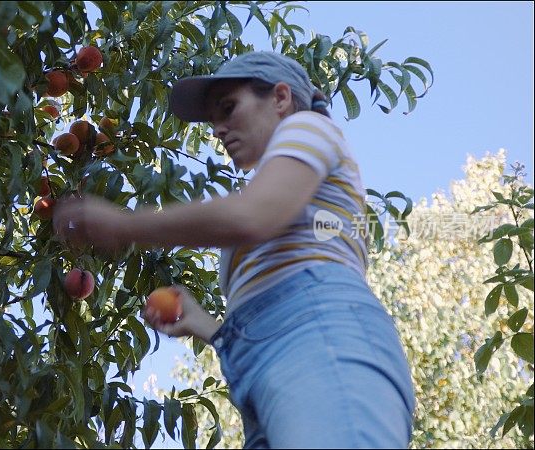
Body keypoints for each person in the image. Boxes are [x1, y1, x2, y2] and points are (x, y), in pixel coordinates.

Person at [53, 51, 415, 448]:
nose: (219, 129)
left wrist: (123, 225)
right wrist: (207, 327)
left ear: (280, 98)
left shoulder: (308, 127)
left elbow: (251, 217)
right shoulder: (296, 190)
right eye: (213, 121)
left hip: (320, 333)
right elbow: (268, 307)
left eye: (228, 109)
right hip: (264, 364)